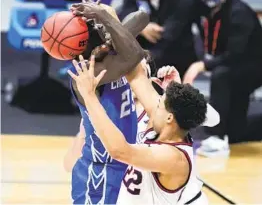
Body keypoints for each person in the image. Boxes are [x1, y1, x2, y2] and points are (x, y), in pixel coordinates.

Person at [67, 51, 216, 204]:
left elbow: (120, 150)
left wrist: (89, 96)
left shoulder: (169, 148)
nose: (155, 102)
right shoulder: (158, 121)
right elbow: (69, 164)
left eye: (160, 103)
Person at [67, 0, 149, 204]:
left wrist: (103, 14)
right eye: (97, 27)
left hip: (125, 163)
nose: (100, 25)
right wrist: (105, 16)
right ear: (95, 46)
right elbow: (135, 54)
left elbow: (142, 16)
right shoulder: (91, 72)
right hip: (100, 174)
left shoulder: (111, 53)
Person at [182, 0, 262, 156]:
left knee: (221, 75)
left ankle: (215, 137)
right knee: (235, 129)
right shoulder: (207, 9)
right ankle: (234, 136)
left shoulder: (239, 12)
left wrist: (203, 64)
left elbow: (236, 54)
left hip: (254, 66)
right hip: (236, 64)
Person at [118, 0, 198, 77]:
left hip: (176, 51)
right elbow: (126, 14)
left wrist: (141, 27)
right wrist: (141, 28)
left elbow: (172, 29)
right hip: (142, 48)